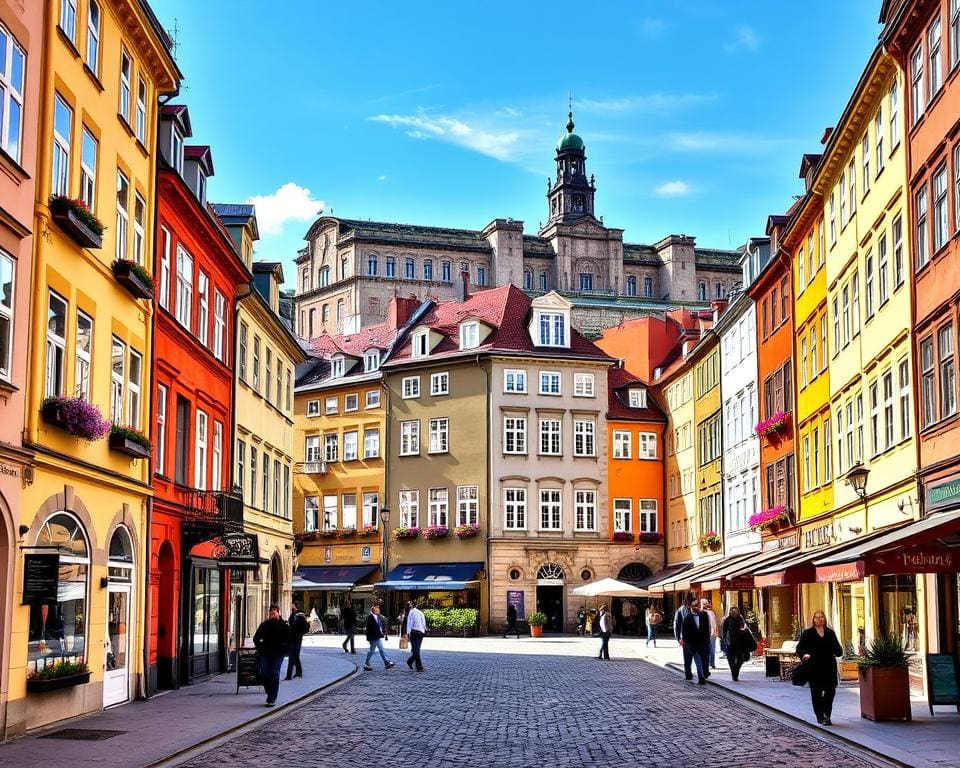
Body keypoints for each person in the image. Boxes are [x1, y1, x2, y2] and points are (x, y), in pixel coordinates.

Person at [796, 610, 843, 726]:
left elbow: (838, 650)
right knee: (816, 693)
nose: (819, 619)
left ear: (825, 619)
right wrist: (804, 655)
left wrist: (836, 652)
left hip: (829, 667)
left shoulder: (830, 633)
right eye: (817, 617)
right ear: (813, 619)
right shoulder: (808, 633)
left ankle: (827, 715)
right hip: (814, 666)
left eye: (821, 617)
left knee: (830, 692)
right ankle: (820, 715)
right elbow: (800, 648)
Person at [252, 604, 290, 707]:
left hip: (278, 653)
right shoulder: (265, 625)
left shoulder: (284, 625)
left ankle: (272, 697)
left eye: (275, 612)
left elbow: (289, 639)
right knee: (263, 673)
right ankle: (270, 691)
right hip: (266, 653)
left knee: (274, 673)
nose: (273, 614)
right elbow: (256, 638)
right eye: (271, 612)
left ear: (279, 613)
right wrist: (260, 647)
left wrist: (285, 650)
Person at [720, 606, 755, 681]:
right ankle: (734, 673)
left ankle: (735, 673)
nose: (732, 613)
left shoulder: (740, 619)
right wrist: (724, 640)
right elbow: (724, 631)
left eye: (734, 611)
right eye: (731, 611)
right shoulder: (727, 620)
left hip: (740, 643)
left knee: (739, 660)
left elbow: (745, 628)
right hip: (730, 644)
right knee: (731, 660)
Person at [680, 599, 711, 684]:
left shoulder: (704, 615)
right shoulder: (687, 618)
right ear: (691, 607)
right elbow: (684, 631)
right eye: (694, 606)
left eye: (697, 606)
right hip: (692, 643)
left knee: (704, 659)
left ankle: (704, 674)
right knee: (697, 659)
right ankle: (701, 677)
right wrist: (686, 642)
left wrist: (707, 640)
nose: (696, 607)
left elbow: (706, 629)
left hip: (702, 642)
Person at [363, 604, 396, 671]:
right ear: (374, 610)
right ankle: (386, 662)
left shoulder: (378, 617)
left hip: (377, 636)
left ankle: (367, 663)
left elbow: (381, 625)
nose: (379, 610)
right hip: (374, 637)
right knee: (380, 649)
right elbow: (370, 628)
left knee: (372, 650)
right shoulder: (370, 617)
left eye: (378, 609)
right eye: (377, 609)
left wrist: (384, 631)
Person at [673, 592, 696, 680]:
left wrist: (678, 638)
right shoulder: (694, 609)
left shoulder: (680, 610)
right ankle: (700, 674)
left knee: (687, 657)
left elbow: (676, 624)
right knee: (697, 656)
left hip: (685, 637)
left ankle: (688, 674)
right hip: (694, 636)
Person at [284, 601, 309, 680]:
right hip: (292, 637)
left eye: (292, 605)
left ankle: (289, 675)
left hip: (297, 637)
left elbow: (301, 626)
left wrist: (298, 632)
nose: (291, 606)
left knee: (293, 655)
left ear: (296, 606)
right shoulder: (294, 614)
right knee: (295, 656)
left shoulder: (299, 615)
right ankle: (298, 672)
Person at [403, 600, 427, 671]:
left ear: (412, 605)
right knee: (417, 650)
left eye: (409, 604)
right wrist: (424, 629)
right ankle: (419, 667)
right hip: (419, 633)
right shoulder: (419, 612)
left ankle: (410, 661)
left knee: (416, 650)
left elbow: (409, 623)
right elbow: (423, 622)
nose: (408, 605)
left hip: (415, 632)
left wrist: (408, 633)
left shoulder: (412, 612)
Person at [701, 599, 719, 669]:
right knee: (709, 648)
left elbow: (714, 622)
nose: (706, 604)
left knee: (711, 649)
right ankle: (709, 663)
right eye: (704, 603)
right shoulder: (704, 613)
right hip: (708, 633)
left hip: (711, 633)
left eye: (706, 603)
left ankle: (711, 663)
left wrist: (716, 631)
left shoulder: (710, 612)